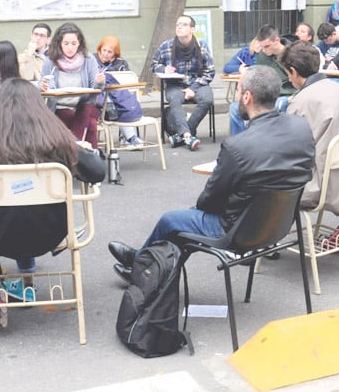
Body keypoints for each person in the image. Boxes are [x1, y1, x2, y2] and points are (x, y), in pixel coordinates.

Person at [108, 66, 315, 281]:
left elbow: (209, 200)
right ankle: (143, 266)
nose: (236, 97)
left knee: (171, 221)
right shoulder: (301, 128)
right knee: (182, 222)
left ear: (247, 97)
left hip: (238, 232)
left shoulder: (238, 147)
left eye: (237, 91)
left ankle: (141, 266)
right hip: (279, 225)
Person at [0, 78, 105, 274]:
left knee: (18, 201)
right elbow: (98, 172)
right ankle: (27, 269)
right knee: (31, 202)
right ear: (38, 108)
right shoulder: (57, 142)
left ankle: (22, 269)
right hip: (52, 233)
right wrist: (78, 150)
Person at [284, 42, 339, 213]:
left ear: (294, 71)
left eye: (288, 74)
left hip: (318, 187)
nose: (289, 80)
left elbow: (288, 150)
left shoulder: (302, 101)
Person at [151, 14, 215, 151]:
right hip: (175, 84)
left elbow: (210, 71)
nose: (179, 27)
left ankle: (182, 135)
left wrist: (193, 88)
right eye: (178, 24)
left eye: (184, 25)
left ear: (192, 29)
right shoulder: (166, 46)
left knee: (207, 99)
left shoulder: (202, 46)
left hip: (198, 83)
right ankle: (187, 135)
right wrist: (164, 68)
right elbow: (154, 64)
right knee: (174, 99)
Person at [39, 22, 104, 148]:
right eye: (66, 43)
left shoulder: (88, 59)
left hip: (84, 105)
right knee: (90, 123)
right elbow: (42, 84)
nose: (70, 48)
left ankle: (73, 151)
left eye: (74, 44)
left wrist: (99, 82)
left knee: (85, 109)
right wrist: (43, 86)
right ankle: (88, 156)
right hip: (59, 107)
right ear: (59, 44)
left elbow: (96, 90)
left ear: (79, 43)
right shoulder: (50, 61)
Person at [228, 25, 294, 136]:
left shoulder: (293, 53)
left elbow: (303, 79)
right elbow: (258, 77)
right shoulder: (263, 54)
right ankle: (240, 142)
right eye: (262, 47)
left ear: (277, 40)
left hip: (287, 95)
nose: (264, 50)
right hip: (266, 96)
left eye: (267, 46)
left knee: (280, 105)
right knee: (235, 108)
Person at [95, 35, 142, 146]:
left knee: (119, 102)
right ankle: (131, 137)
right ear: (100, 49)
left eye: (110, 52)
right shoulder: (92, 60)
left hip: (116, 99)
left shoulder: (121, 64)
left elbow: (126, 86)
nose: (105, 54)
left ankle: (130, 137)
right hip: (98, 99)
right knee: (115, 104)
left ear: (115, 53)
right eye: (104, 50)